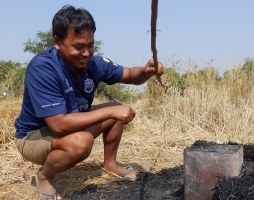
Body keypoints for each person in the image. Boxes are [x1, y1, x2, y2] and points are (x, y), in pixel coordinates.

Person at [14, 5, 163, 200]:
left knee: (114, 108)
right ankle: (45, 176)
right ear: (57, 42)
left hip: (69, 124)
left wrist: (146, 72)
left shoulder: (93, 63)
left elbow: (130, 75)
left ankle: (110, 166)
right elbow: (59, 125)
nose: (86, 53)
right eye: (78, 47)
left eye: (90, 45)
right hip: (33, 136)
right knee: (83, 141)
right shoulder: (43, 68)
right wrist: (111, 113)